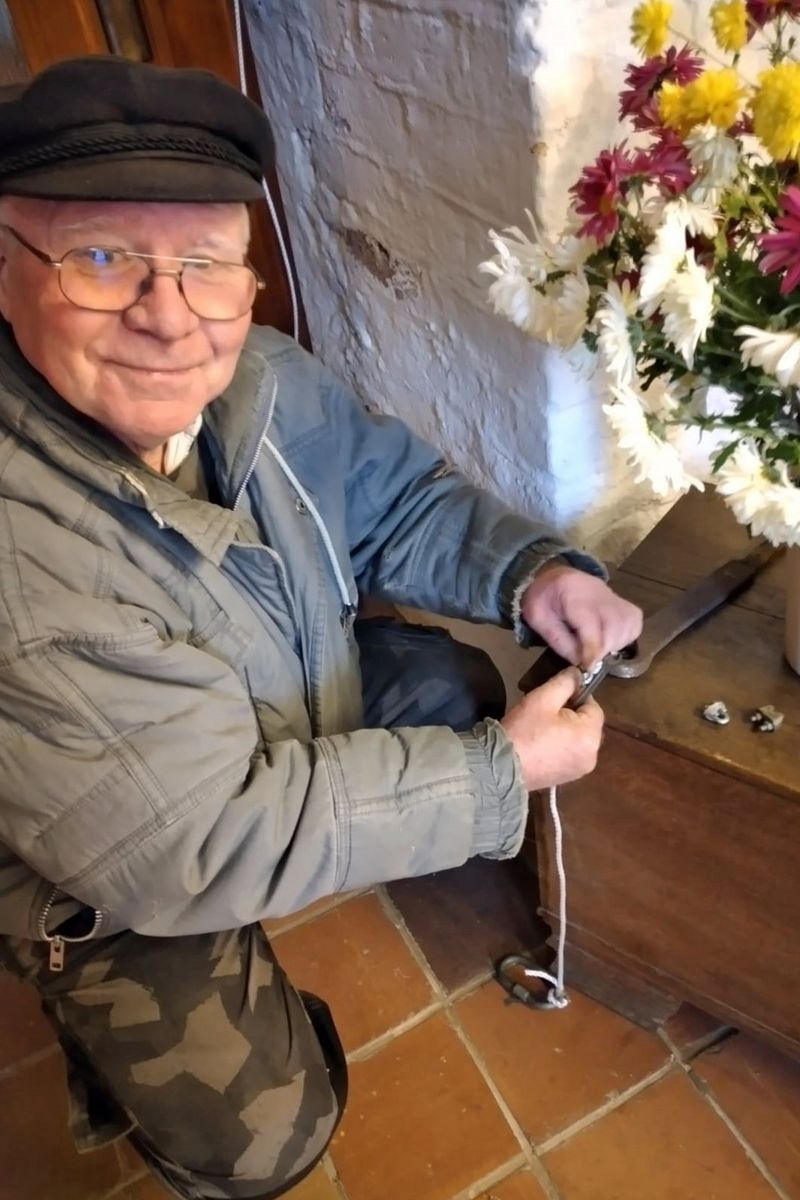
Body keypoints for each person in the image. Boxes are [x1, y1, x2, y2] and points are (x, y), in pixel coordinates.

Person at [0, 56, 642, 1200]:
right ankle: (100, 1006)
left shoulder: (261, 375)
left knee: (454, 691)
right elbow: (202, 839)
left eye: (205, 264)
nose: (167, 316)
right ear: (6, 267)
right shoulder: (22, 559)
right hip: (126, 849)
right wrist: (496, 776)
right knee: (263, 1131)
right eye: (99, 259)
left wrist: (531, 574)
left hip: (245, 713)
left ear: (246, 277)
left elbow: (389, 497)